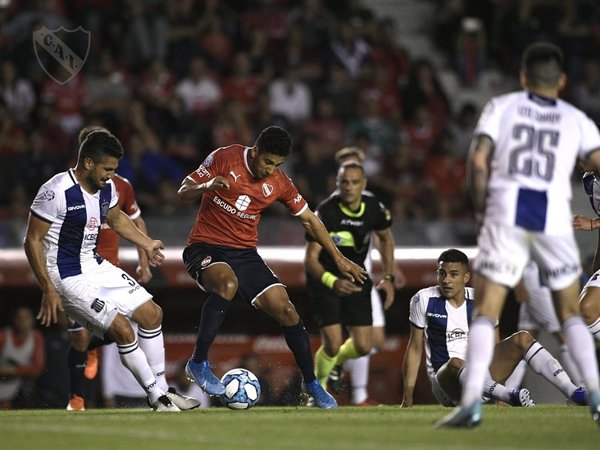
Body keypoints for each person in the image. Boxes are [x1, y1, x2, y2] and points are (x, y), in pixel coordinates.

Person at [436, 42, 600, 428]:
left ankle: (472, 403)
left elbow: (477, 160)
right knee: (572, 314)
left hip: (507, 216)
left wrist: (481, 214)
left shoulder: (501, 107)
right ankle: (594, 396)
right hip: (552, 218)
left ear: (523, 77)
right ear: (560, 81)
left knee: (488, 311)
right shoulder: (577, 119)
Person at [177, 126, 367, 409]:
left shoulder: (279, 182)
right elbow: (183, 191)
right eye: (267, 162)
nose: (270, 170)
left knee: (288, 311)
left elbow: (310, 220)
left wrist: (338, 258)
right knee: (227, 284)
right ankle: (198, 363)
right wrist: (206, 186)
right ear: (255, 152)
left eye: (277, 164)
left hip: (245, 254)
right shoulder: (224, 158)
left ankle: (312, 384)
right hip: (205, 246)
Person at [23, 130, 197, 412]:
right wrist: (47, 287)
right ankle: (157, 398)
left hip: (94, 264)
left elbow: (116, 218)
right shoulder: (55, 190)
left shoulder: (108, 187)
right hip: (66, 276)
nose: (111, 175)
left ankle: (164, 391)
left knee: (152, 314)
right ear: (88, 163)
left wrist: (147, 242)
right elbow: (31, 240)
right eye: (107, 169)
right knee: (122, 329)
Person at [65, 125, 169, 411]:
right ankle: (77, 399)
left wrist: (144, 259)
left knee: (139, 321)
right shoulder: (66, 188)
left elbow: (133, 221)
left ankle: (160, 390)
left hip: (109, 269)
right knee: (81, 337)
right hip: (76, 274)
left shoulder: (118, 185)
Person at [401, 249, 585, 409]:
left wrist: (499, 381)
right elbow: (415, 348)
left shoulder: (482, 301)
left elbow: (495, 347)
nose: (446, 280)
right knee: (456, 362)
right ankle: (509, 395)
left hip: (485, 380)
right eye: (442, 273)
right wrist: (407, 399)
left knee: (523, 338)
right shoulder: (424, 299)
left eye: (453, 274)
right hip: (447, 385)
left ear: (466, 277)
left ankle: (573, 392)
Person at [305, 161, 396, 404]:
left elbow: (386, 239)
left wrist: (388, 276)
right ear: (337, 184)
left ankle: (335, 363)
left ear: (364, 185)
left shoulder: (373, 208)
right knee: (333, 344)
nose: (349, 187)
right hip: (326, 280)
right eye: (344, 182)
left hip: (357, 276)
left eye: (354, 182)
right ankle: (318, 390)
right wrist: (332, 281)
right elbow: (311, 260)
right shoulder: (325, 211)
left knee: (365, 346)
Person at [505, 260, 584, 390]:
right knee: (564, 336)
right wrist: (519, 283)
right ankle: (584, 386)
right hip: (536, 283)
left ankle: (508, 392)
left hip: (538, 279)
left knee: (523, 340)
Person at [572, 160, 600, 344]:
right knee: (586, 310)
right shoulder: (590, 181)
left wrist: (593, 223)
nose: (576, 162)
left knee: (587, 307)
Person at [0, 306, 45, 409]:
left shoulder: (35, 337)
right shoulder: (3, 336)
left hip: (20, 388)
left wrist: (10, 370)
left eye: (26, 318)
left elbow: (37, 368)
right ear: (14, 320)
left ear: (32, 320)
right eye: (19, 318)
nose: (22, 321)